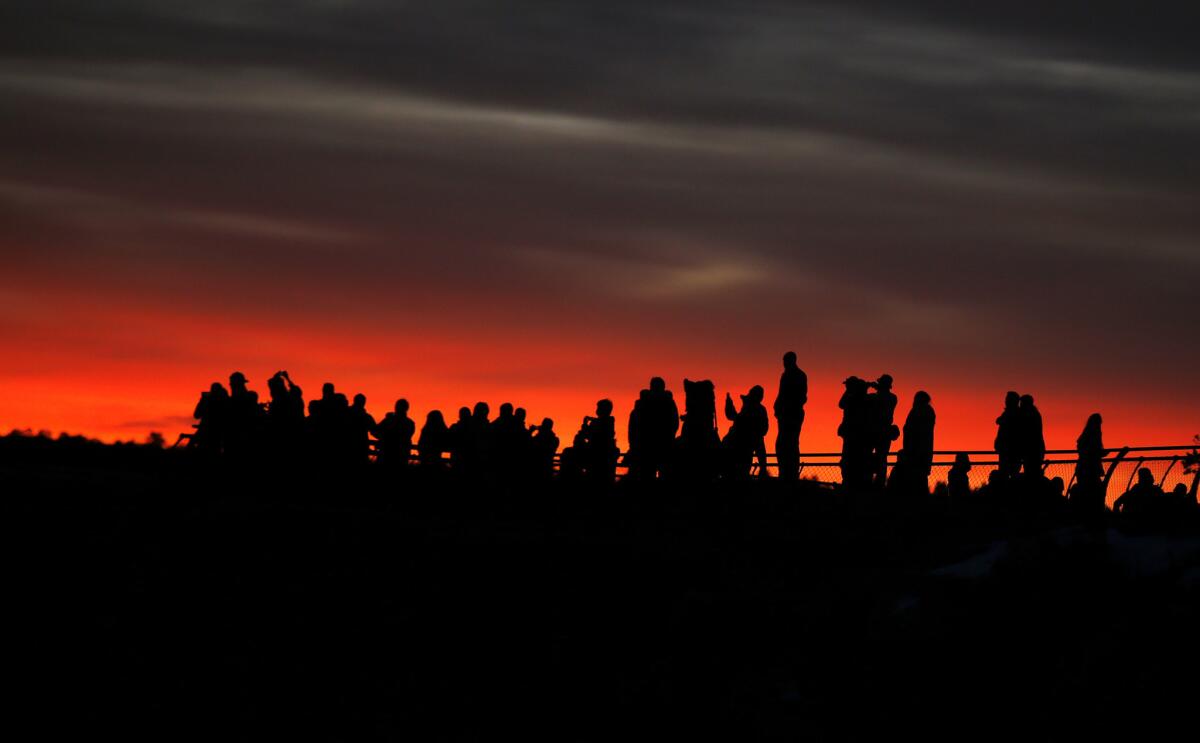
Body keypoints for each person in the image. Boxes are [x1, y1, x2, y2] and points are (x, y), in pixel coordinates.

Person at [889, 390, 934, 496]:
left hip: (914, 453)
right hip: (924, 453)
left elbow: (909, 430)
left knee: (914, 481)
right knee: (920, 480)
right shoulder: (929, 412)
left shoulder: (917, 411)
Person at [773, 352, 808, 482]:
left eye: (786, 361)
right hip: (785, 414)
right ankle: (785, 472)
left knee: (790, 443)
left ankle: (790, 474)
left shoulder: (798, 375)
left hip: (792, 414)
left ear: (792, 360)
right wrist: (777, 407)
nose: (784, 363)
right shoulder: (786, 375)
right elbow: (781, 393)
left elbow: (802, 397)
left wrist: (788, 407)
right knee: (783, 444)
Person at [722, 385, 769, 480]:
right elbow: (763, 431)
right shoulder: (758, 410)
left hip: (740, 448)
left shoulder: (749, 411)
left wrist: (729, 404)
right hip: (743, 448)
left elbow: (732, 416)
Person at [838, 376, 872, 490]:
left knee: (849, 460)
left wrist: (848, 390)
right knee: (856, 460)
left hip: (853, 435)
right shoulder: (867, 399)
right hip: (860, 435)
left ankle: (849, 483)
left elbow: (841, 404)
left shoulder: (852, 398)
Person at [1070, 413, 1107, 516]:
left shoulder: (1086, 434)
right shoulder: (1095, 434)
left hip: (1084, 468)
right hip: (1090, 469)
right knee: (1094, 493)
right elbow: (1093, 451)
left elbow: (1086, 450)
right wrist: (1101, 453)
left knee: (1087, 492)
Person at [867, 375, 899, 488]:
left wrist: (872, 388)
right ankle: (876, 483)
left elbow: (877, 399)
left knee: (877, 458)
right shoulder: (891, 397)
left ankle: (874, 483)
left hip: (877, 431)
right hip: (882, 432)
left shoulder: (889, 398)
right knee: (879, 458)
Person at [374, 399, 414, 468]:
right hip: (402, 455)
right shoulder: (410, 423)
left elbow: (376, 430)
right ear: (407, 409)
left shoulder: (389, 420)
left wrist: (382, 439)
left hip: (386, 453)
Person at [192, 382, 230, 455]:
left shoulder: (221, 402)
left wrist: (202, 401)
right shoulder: (225, 401)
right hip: (215, 435)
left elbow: (197, 415)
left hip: (212, 435)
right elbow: (196, 415)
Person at [994, 391, 1021, 479]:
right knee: (1012, 474)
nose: (1005, 401)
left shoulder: (1011, 413)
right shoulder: (1013, 413)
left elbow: (999, 421)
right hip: (1012, 450)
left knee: (1006, 474)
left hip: (1008, 450)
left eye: (1007, 399)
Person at [1018, 394, 1046, 476]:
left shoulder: (1029, 414)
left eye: (1021, 403)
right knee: (1032, 471)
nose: (1020, 405)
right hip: (1036, 449)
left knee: (1031, 472)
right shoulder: (1034, 413)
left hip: (1032, 449)